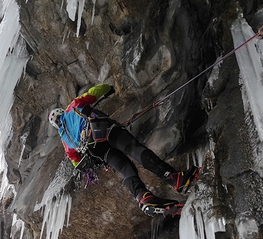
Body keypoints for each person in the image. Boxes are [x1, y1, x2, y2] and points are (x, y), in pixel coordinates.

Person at [49, 84, 201, 216]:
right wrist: (110, 89)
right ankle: (174, 178)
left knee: (125, 168)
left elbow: (76, 162)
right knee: (134, 149)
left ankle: (143, 197)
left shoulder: (65, 140)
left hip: (97, 151)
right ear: (61, 112)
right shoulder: (73, 106)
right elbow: (96, 91)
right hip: (103, 130)